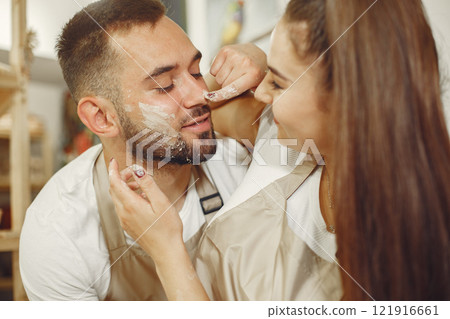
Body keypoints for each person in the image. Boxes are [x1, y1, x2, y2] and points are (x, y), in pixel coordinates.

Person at [109, 0, 450, 300]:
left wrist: (167, 250)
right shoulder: (279, 133)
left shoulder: (402, 253)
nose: (261, 93)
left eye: (279, 81)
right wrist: (244, 62)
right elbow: (198, 111)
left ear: (346, 100)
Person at [19, 0, 267, 301]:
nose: (201, 94)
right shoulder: (58, 233)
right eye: (164, 86)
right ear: (101, 117)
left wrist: (263, 64)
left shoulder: (242, 165)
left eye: (196, 71)